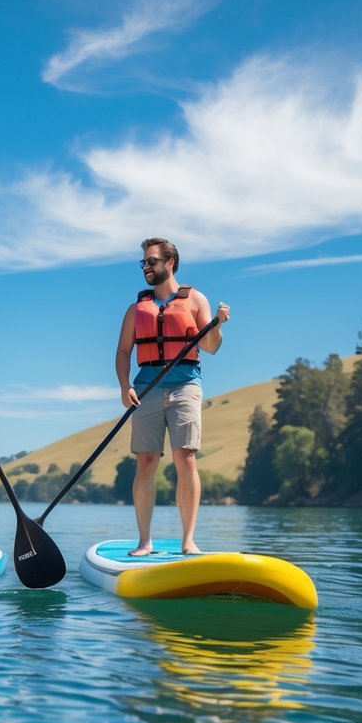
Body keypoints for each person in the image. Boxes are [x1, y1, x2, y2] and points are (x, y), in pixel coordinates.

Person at [115, 237, 230, 557]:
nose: (146, 267)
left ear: (170, 263)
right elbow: (123, 352)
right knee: (146, 462)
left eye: (151, 261)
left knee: (186, 457)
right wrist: (125, 387)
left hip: (185, 387)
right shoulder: (135, 308)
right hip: (146, 389)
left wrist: (217, 325)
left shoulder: (195, 301)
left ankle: (189, 540)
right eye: (143, 263)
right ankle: (144, 541)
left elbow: (211, 346)